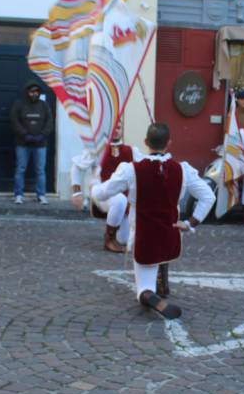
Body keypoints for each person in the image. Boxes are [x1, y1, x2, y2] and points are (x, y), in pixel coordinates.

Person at [92, 122, 215, 320]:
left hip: (143, 235)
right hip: (169, 234)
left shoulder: (131, 170)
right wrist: (190, 223)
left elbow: (102, 193)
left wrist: (93, 184)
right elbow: (208, 196)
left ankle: (151, 293)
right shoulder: (183, 170)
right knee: (162, 250)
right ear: (169, 143)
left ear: (146, 142)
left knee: (143, 290)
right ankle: (162, 276)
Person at [70, 123, 142, 253]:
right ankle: (109, 240)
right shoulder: (96, 149)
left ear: (122, 130)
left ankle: (115, 234)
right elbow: (76, 167)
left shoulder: (132, 151)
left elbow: (146, 167)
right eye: (113, 127)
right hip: (101, 193)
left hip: (124, 197)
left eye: (118, 128)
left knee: (124, 240)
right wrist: (76, 193)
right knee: (119, 200)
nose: (116, 131)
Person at [10, 81, 54, 204]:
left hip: (40, 144)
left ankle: (41, 195)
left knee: (40, 170)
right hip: (22, 143)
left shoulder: (44, 105)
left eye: (36, 92)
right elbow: (14, 121)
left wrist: (42, 135)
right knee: (20, 169)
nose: (34, 94)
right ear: (27, 92)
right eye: (31, 91)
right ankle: (18, 195)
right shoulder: (19, 104)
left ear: (39, 93)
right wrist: (25, 135)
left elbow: (49, 122)